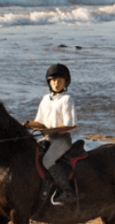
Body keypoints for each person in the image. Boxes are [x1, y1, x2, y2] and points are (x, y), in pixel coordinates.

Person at [24, 63, 79, 203]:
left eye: (60, 80)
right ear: (49, 82)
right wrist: (25, 124)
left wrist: (52, 130)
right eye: (53, 80)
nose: (56, 83)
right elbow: (40, 123)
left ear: (66, 82)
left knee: (48, 160)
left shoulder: (67, 99)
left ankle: (67, 191)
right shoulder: (45, 99)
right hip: (47, 138)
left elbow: (70, 125)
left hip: (62, 140)